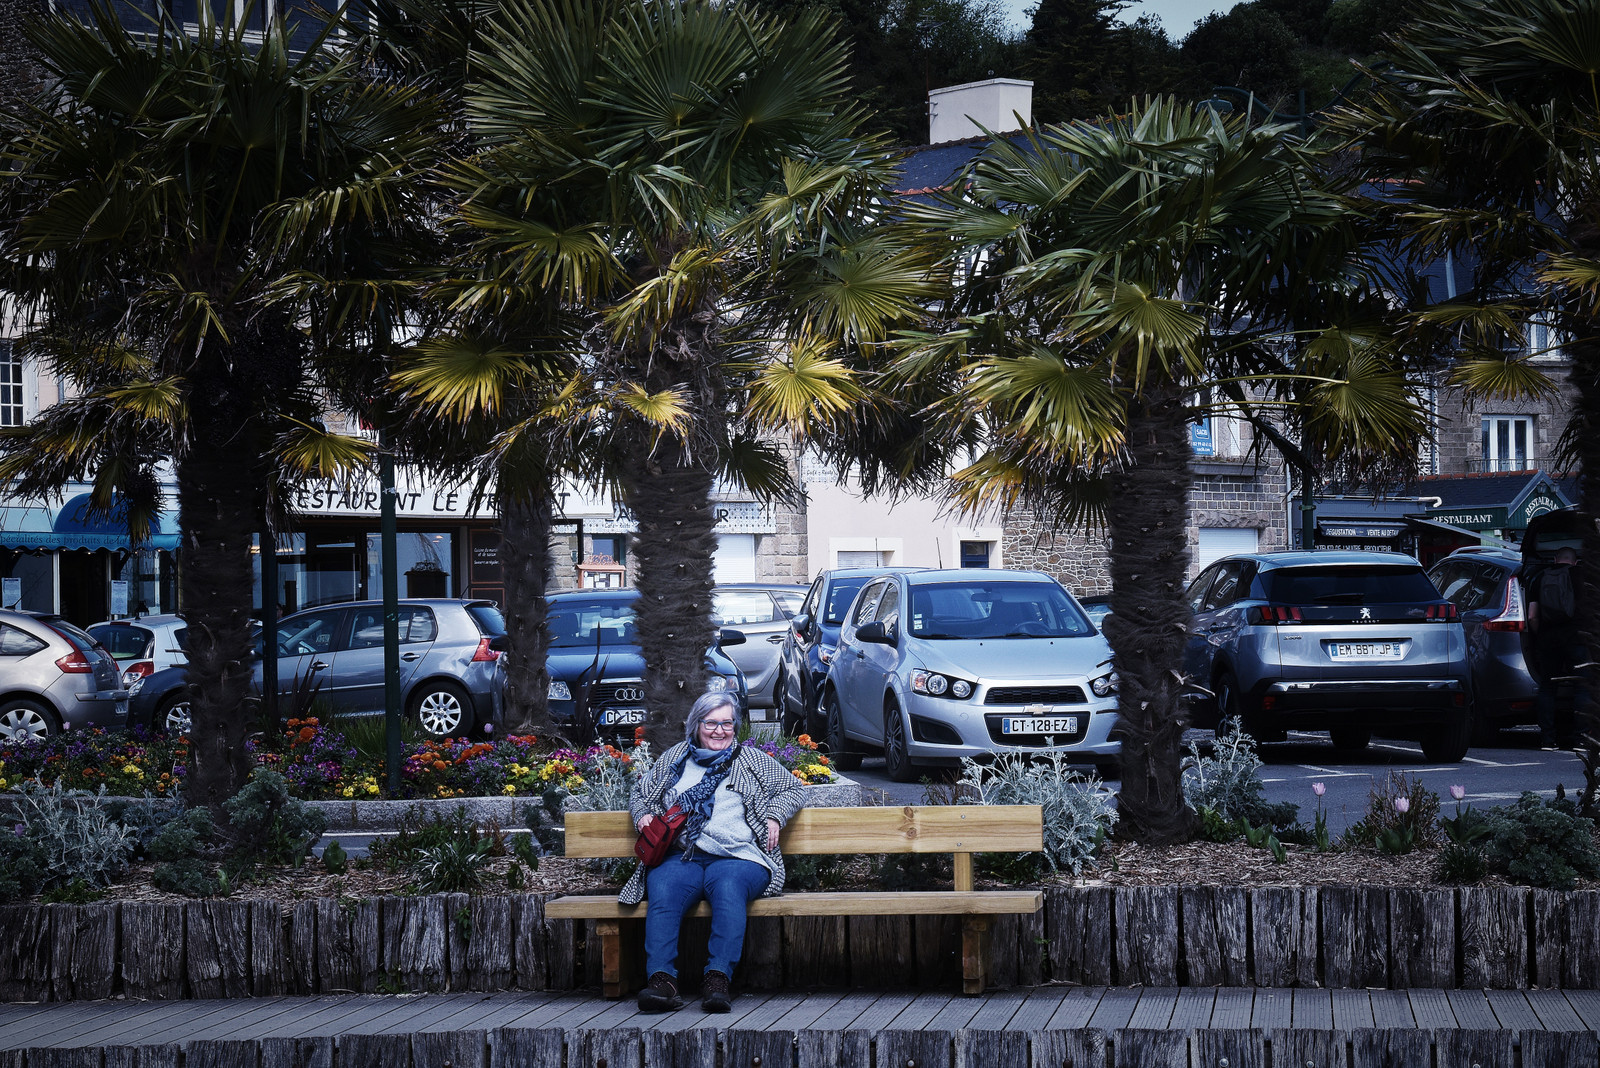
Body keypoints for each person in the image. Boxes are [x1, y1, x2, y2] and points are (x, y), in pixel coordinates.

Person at [622, 691, 805, 1013]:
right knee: (662, 889)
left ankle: (717, 979)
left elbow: (792, 788)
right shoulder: (675, 758)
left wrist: (775, 814)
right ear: (696, 725)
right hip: (683, 855)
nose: (720, 731)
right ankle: (661, 982)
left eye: (727, 724)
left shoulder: (750, 759)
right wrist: (644, 816)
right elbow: (641, 794)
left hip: (739, 856)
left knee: (728, 888)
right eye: (711, 723)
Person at [1527, 546, 1586, 750]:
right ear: (1575, 562)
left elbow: (1532, 615)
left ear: (1554, 559)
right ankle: (1581, 739)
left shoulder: (1539, 577)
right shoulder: (1583, 576)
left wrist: (1540, 635)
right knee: (1583, 686)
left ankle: (1548, 740)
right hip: (1578, 638)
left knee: (1547, 688)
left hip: (1548, 639)